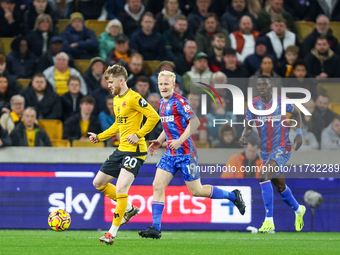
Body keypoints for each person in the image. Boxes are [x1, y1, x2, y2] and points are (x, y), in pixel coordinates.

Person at [138, 70, 245, 239]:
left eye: (166, 84)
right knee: (157, 185)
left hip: (186, 153)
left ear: (174, 85)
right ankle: (156, 228)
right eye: (161, 84)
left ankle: (233, 196)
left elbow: (195, 122)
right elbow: (168, 127)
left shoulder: (180, 101)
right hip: (170, 153)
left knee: (197, 191)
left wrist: (179, 140)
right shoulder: (162, 103)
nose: (163, 87)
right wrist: (159, 140)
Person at [88, 64, 160, 245]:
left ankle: (111, 233)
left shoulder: (134, 97)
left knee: (120, 189)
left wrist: (139, 134)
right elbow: (118, 125)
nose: (109, 86)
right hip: (122, 149)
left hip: (136, 151)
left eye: (111, 82)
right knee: (98, 183)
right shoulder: (117, 100)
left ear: (121, 80)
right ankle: (128, 208)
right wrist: (100, 136)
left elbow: (154, 117)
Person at [239, 74, 306, 233]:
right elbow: (248, 126)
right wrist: (243, 135)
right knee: (280, 186)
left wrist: (299, 133)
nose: (261, 87)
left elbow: (297, 114)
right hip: (266, 151)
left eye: (264, 84)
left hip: (282, 147)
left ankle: (269, 221)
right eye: (259, 85)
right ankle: (298, 210)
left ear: (270, 86)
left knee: (263, 176)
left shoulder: (282, 102)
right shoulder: (252, 105)